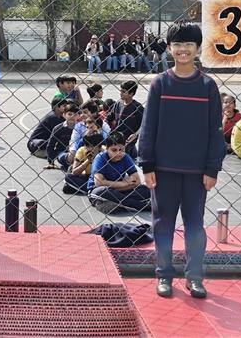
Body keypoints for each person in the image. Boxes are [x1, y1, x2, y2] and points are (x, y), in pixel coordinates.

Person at [137, 21, 226, 299]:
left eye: (189, 44)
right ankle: (164, 274)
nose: (183, 49)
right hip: (163, 170)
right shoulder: (160, 83)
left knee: (195, 226)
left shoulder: (207, 86)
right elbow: (148, 126)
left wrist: (212, 168)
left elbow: (215, 130)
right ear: (169, 48)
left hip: (197, 172)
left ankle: (195, 277)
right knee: (163, 224)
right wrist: (147, 164)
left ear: (198, 48)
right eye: (177, 44)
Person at [87, 133, 151, 212]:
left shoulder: (125, 157)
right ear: (107, 149)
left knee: (145, 189)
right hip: (100, 191)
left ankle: (117, 204)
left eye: (121, 150)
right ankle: (142, 206)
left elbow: (137, 181)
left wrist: (116, 187)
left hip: (118, 192)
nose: (118, 153)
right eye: (114, 150)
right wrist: (125, 183)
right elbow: (98, 183)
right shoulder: (100, 158)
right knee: (102, 191)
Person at [109, 80, 144, 159]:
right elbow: (110, 117)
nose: (120, 93)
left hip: (129, 140)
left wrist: (135, 134)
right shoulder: (118, 103)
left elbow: (144, 124)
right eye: (120, 91)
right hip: (116, 139)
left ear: (131, 94)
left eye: (123, 92)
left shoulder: (137, 107)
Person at [46, 102, 79, 170]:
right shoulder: (58, 128)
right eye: (69, 114)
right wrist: (51, 162)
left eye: (75, 114)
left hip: (78, 152)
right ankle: (72, 164)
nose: (72, 116)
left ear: (78, 116)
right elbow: (50, 145)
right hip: (62, 152)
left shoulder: (81, 128)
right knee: (66, 157)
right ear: (64, 115)